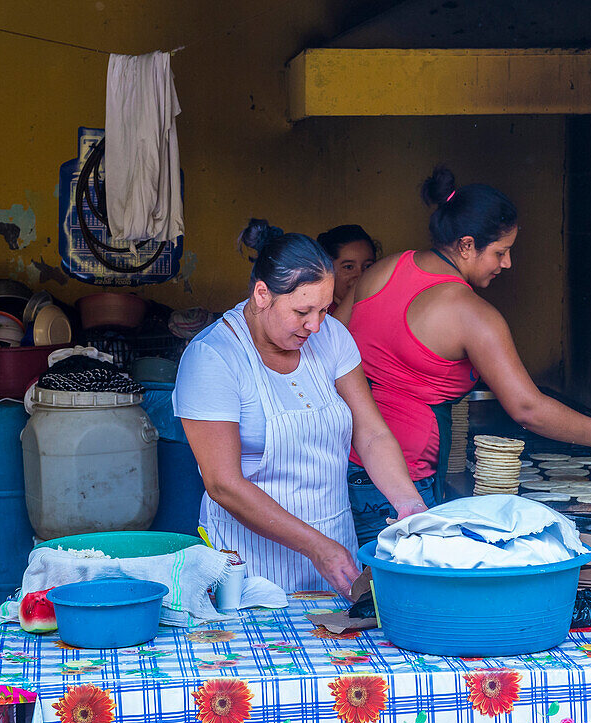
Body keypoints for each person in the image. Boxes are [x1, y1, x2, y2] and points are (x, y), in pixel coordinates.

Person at [334, 167, 591, 545]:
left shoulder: (382, 270)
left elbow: (330, 347)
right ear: (466, 245)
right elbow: (527, 409)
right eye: (501, 251)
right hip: (402, 480)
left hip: (344, 463)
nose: (507, 263)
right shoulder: (472, 314)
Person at [174, 220, 428, 597]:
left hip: (335, 550)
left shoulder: (332, 339)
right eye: (302, 311)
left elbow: (371, 433)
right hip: (248, 565)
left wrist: (409, 504)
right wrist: (315, 546)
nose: (315, 325)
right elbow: (223, 484)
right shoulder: (213, 357)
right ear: (262, 295)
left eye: (325, 310)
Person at [316, 224, 378, 312]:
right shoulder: (319, 315)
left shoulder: (381, 308)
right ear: (327, 269)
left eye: (368, 266)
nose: (360, 275)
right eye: (349, 267)